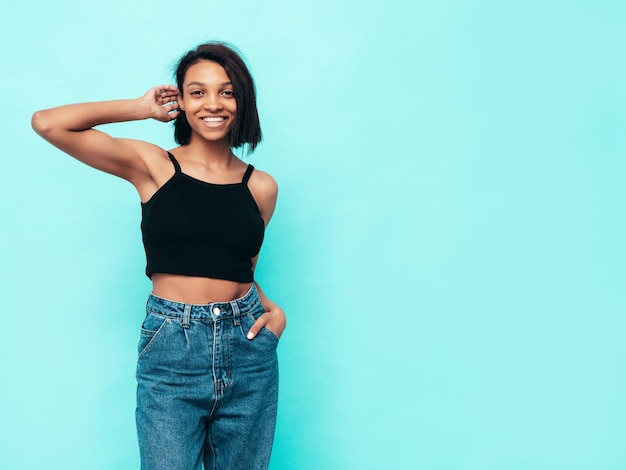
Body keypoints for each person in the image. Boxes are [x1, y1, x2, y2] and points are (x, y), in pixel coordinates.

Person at [31, 42, 285, 470]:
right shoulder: (153, 166)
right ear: (181, 101)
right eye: (198, 92)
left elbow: (241, 267)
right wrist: (139, 107)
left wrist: (273, 310)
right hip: (172, 345)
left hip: (249, 350)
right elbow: (48, 123)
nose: (213, 104)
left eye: (227, 92)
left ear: (242, 101)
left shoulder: (261, 187)